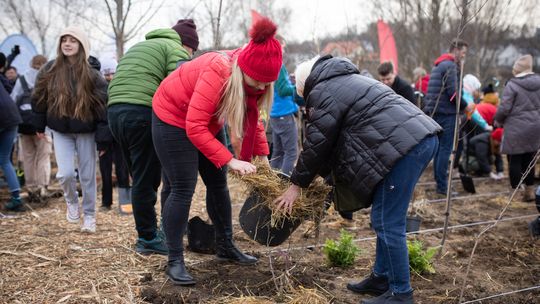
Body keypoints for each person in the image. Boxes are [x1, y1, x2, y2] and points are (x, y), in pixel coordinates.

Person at [275, 55, 441, 304]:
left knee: (387, 221)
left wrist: (296, 185)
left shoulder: (324, 90)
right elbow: (331, 143)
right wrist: (320, 179)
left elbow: (317, 144)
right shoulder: (344, 80)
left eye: (303, 93)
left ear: (306, 84)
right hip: (414, 141)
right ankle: (381, 278)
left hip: (407, 146)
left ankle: (400, 293)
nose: (305, 99)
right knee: (384, 217)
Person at [151, 17, 281, 285]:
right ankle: (174, 260)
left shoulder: (253, 82)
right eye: (256, 81)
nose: (260, 87)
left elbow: (252, 117)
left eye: (265, 84)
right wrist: (231, 160)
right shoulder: (218, 70)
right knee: (183, 187)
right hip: (172, 118)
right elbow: (194, 126)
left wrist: (263, 157)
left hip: (205, 121)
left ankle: (225, 245)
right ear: (244, 69)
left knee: (217, 182)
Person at [107, 19, 199, 254]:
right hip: (141, 111)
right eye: (193, 50)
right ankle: (148, 239)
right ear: (187, 44)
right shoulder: (175, 49)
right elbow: (181, 85)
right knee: (146, 180)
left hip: (115, 112)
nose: (191, 55)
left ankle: (148, 232)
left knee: (139, 175)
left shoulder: (139, 47)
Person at [32, 27, 109, 232]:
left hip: (86, 130)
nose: (67, 44)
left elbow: (103, 107)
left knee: (87, 176)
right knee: (65, 174)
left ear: (81, 46)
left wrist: (103, 140)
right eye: (64, 40)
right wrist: (39, 125)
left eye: (73, 41)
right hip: (60, 130)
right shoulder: (49, 70)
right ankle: (72, 202)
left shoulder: (93, 75)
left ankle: (90, 216)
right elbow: (38, 98)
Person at [423, 39, 473, 196]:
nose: (464, 57)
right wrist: (466, 106)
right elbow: (453, 94)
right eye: (463, 53)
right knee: (445, 149)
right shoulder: (450, 65)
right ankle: (443, 187)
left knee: (439, 149)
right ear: (456, 50)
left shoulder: (439, 64)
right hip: (446, 113)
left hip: (435, 111)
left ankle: (440, 184)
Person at [494, 54, 540, 202]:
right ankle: (529, 192)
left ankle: (514, 194)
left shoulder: (512, 85)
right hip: (535, 127)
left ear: (517, 69)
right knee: (529, 159)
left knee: (514, 159)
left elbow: (505, 108)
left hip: (516, 127)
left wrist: (497, 120)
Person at [10, 55, 52, 198]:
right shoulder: (47, 79)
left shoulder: (21, 80)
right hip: (43, 126)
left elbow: (13, 99)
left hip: (24, 126)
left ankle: (31, 187)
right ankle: (43, 187)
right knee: (43, 156)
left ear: (31, 63)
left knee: (28, 157)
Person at [96, 57, 132, 214]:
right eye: (106, 74)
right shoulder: (98, 92)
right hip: (104, 138)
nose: (109, 77)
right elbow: (97, 118)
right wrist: (100, 141)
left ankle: (125, 203)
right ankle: (106, 202)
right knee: (105, 171)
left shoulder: (123, 88)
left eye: (112, 73)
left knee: (123, 169)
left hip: (119, 136)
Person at [269, 35, 298, 176]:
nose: (284, 50)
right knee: (291, 153)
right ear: (277, 46)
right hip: (284, 114)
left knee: (278, 152)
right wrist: (297, 87)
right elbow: (283, 90)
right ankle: (284, 184)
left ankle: (271, 182)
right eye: (283, 47)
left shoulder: (270, 62)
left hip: (275, 114)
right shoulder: (278, 65)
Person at [0, 52, 24, 211]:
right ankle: (16, 198)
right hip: (13, 117)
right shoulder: (2, 78)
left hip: (2, 117)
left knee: (3, 159)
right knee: (4, 159)